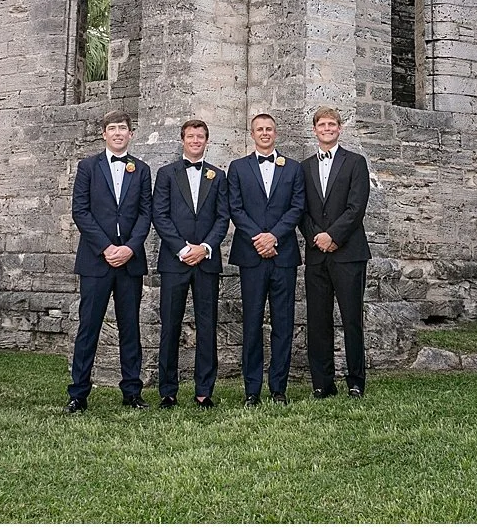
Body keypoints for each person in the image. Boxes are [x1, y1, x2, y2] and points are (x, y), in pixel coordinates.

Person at [66, 108, 151, 412]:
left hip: (130, 261)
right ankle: (78, 394)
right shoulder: (88, 167)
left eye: (122, 128)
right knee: (89, 327)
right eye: (112, 128)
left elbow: (145, 213)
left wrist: (129, 247)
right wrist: (105, 247)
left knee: (130, 328)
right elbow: (81, 211)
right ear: (104, 134)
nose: (117, 133)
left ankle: (132, 391)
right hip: (95, 261)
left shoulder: (141, 169)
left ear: (131, 133)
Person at [224, 111, 304, 405]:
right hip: (251, 254)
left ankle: (278, 388)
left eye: (269, 129)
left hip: (283, 255)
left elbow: (297, 207)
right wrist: (259, 237)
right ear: (252, 133)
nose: (265, 133)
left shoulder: (293, 168)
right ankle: (252, 389)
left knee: (283, 323)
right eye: (259, 129)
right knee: (252, 322)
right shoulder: (238, 168)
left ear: (276, 133)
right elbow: (235, 208)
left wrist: (275, 237)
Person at [149, 118, 230, 408]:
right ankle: (168, 391)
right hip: (175, 261)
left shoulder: (218, 176)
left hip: (206, 262)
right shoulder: (166, 173)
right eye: (191, 136)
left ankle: (204, 390)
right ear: (182, 140)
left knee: (207, 327)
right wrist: (183, 249)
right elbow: (160, 215)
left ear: (207, 141)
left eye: (201, 136)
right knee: (170, 326)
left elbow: (223, 218)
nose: (196, 141)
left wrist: (205, 247)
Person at [301, 105, 372, 398]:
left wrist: (333, 236)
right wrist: (317, 237)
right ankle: (322, 383)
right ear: (315, 130)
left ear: (340, 129)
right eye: (322, 125)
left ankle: (355, 381)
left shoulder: (355, 162)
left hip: (348, 253)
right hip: (317, 254)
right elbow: (300, 209)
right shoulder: (303, 167)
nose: (327, 129)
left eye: (332, 124)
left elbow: (357, 207)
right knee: (318, 320)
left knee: (351, 318)